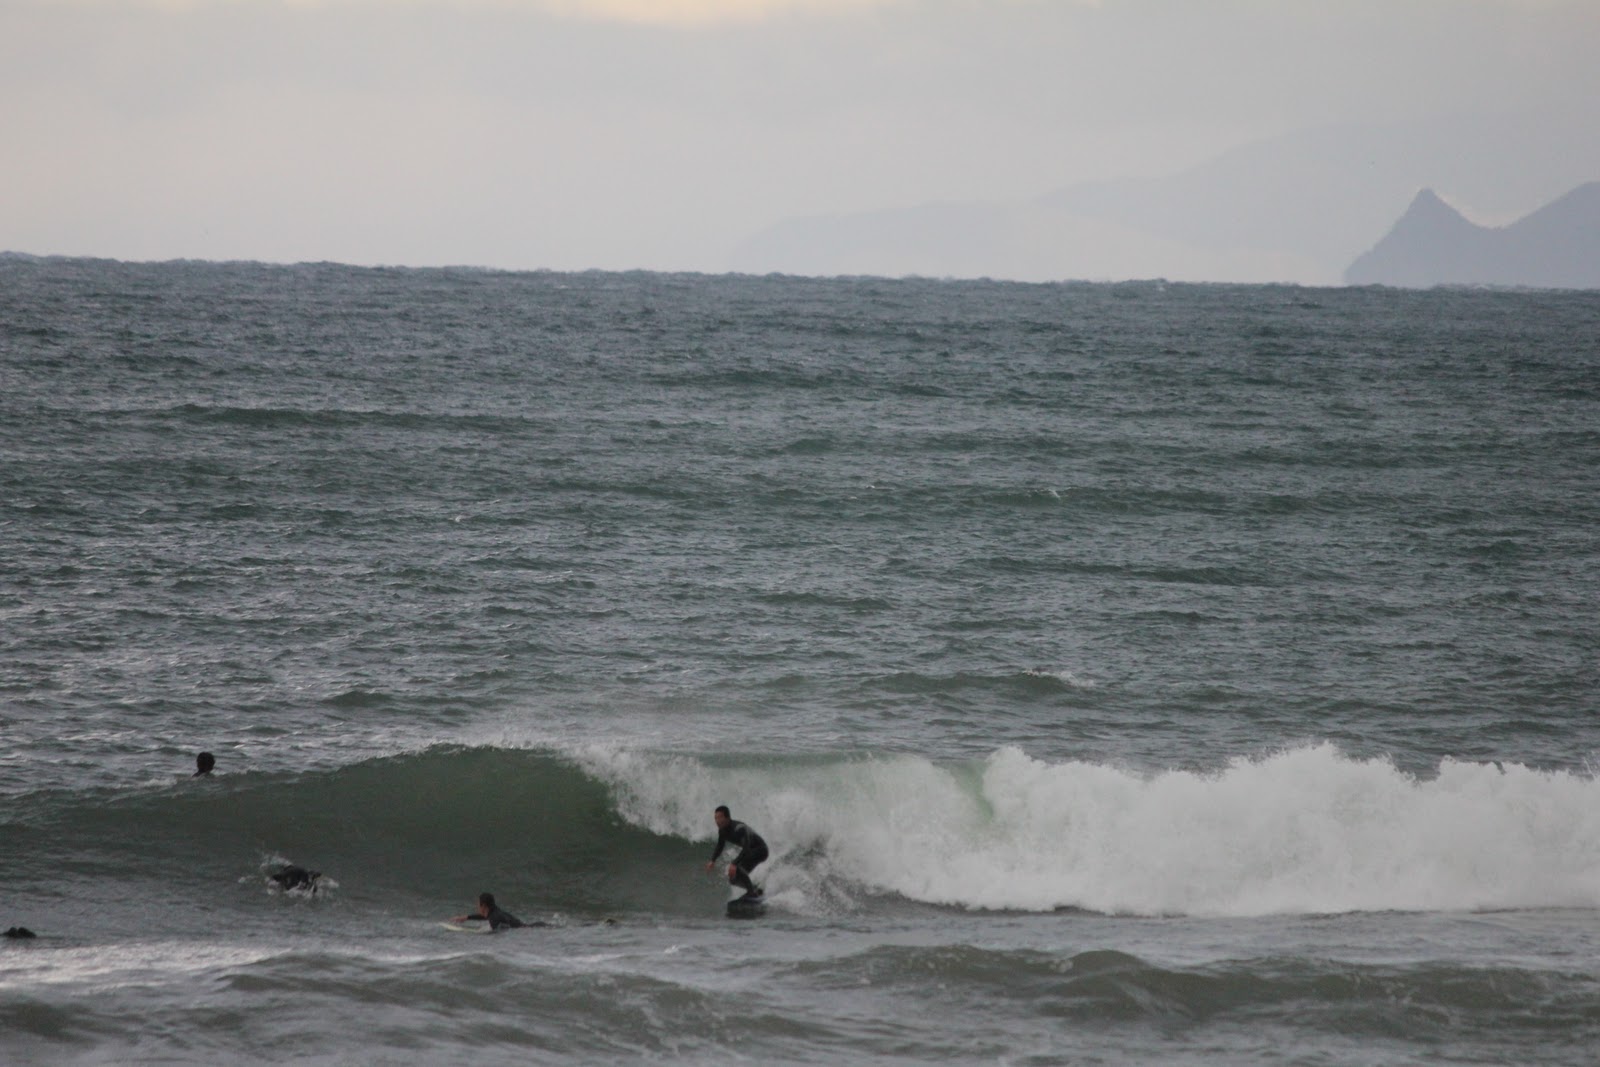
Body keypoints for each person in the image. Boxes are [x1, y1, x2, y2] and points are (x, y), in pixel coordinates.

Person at [705, 805, 768, 900]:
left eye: (719, 817)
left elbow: (746, 848)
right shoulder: (722, 830)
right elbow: (720, 845)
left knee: (737, 869)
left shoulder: (739, 828)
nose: (717, 821)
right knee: (733, 879)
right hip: (750, 852)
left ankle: (751, 893)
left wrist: (734, 863)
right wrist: (712, 860)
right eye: (715, 818)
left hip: (761, 850)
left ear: (727, 817)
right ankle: (755, 889)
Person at [451, 892, 535, 931]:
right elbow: (485, 916)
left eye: (478, 904)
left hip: (527, 930)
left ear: (483, 906)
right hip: (530, 927)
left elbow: (496, 932)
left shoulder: (494, 917)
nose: (477, 907)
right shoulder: (495, 912)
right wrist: (466, 917)